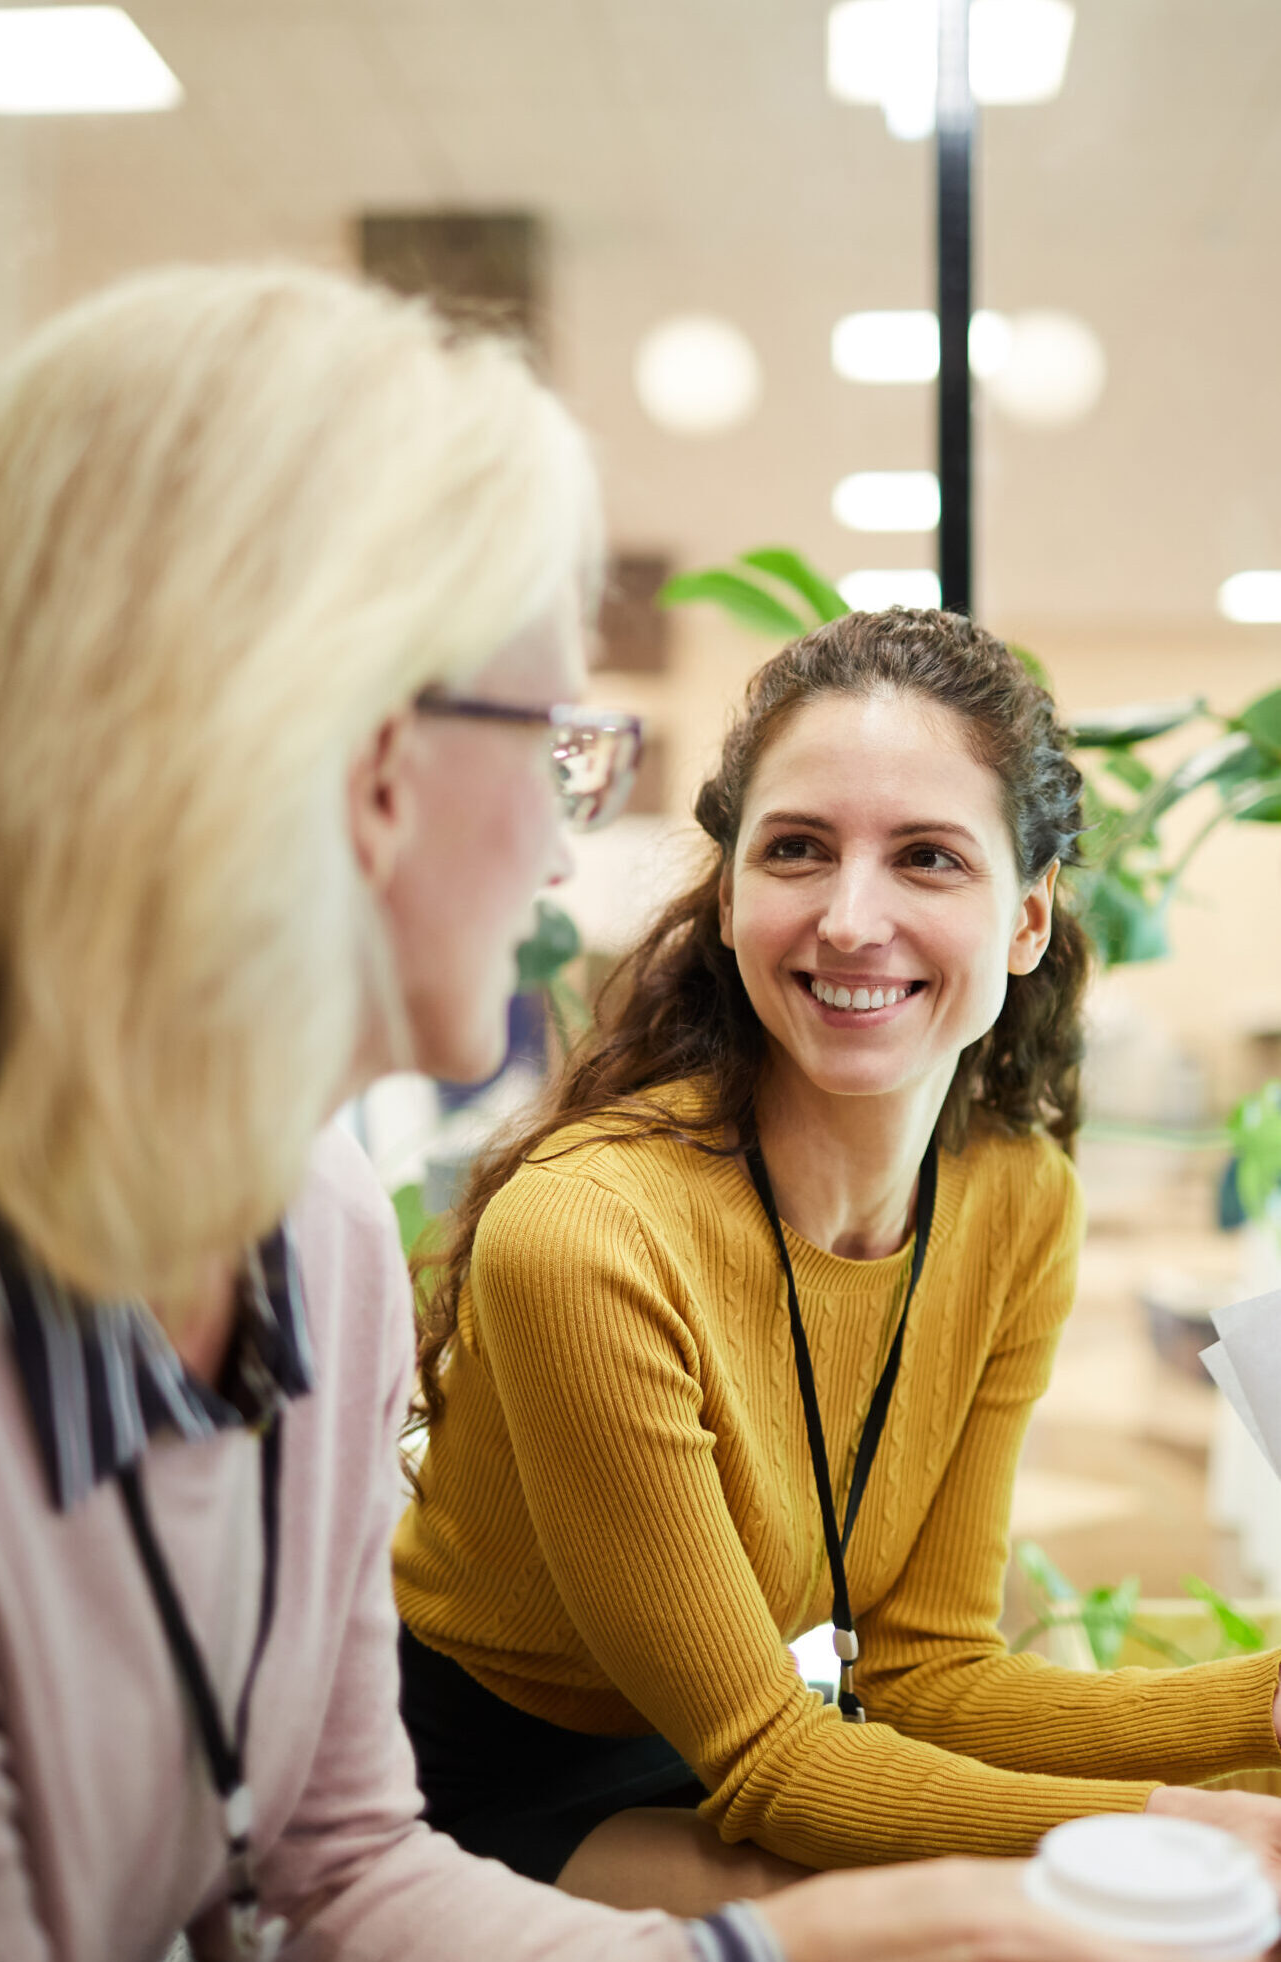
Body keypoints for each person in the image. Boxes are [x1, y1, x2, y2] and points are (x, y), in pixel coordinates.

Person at [0, 262, 1178, 1962]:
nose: (567, 847)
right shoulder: (561, 1227)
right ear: (359, 762)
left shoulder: (314, 1233)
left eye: (928, 857)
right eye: (553, 740)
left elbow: (336, 1862)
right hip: (538, 1784)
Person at [393, 607, 1281, 1910]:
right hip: (481, 1788)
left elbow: (926, 1668)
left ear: (1028, 918)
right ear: (731, 894)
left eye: (927, 857)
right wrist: (1188, 1825)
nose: (851, 919)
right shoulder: (590, 1233)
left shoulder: (1016, 1196)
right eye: (797, 849)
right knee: (1090, 1915)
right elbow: (769, 1760)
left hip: (740, 1749)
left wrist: (1264, 1708)